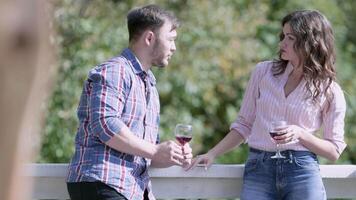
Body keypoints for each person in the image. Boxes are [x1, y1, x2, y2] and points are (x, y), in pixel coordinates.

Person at [188, 10, 346, 200]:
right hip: (259, 170)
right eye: (283, 36)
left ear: (309, 41)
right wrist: (213, 153)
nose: (282, 43)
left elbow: (334, 151)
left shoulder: (330, 90)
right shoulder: (263, 72)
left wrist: (300, 134)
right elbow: (244, 125)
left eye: (290, 37)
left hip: (302, 172)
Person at [66, 4, 192, 200]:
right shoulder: (115, 70)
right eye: (170, 39)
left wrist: (169, 155)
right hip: (103, 183)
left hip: (130, 190)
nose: (174, 47)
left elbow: (141, 152)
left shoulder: (149, 85)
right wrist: (155, 150)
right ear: (149, 38)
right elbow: (105, 124)